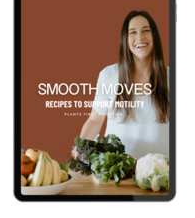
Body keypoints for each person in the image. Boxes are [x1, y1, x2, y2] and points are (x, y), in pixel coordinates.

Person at [72, 10, 169, 160]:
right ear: (125, 39)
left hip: (162, 174)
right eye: (132, 32)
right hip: (117, 171)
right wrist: (81, 147)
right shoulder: (108, 75)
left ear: (154, 36)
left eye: (146, 30)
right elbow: (95, 120)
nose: (139, 37)